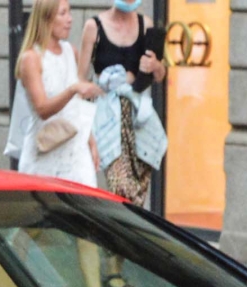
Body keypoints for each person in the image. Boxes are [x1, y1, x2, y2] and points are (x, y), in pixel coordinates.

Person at [81, 0, 162, 205]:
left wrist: (155, 65)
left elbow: (159, 75)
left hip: (138, 120)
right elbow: (80, 80)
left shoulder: (146, 25)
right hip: (108, 117)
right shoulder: (94, 27)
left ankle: (124, 235)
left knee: (137, 195)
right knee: (121, 188)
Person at [12, 0, 98, 185]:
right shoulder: (31, 58)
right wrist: (72, 89)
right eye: (63, 13)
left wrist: (90, 139)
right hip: (45, 153)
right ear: (46, 18)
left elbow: (77, 106)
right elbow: (42, 109)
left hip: (76, 152)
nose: (70, 19)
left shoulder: (71, 51)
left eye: (70, 13)